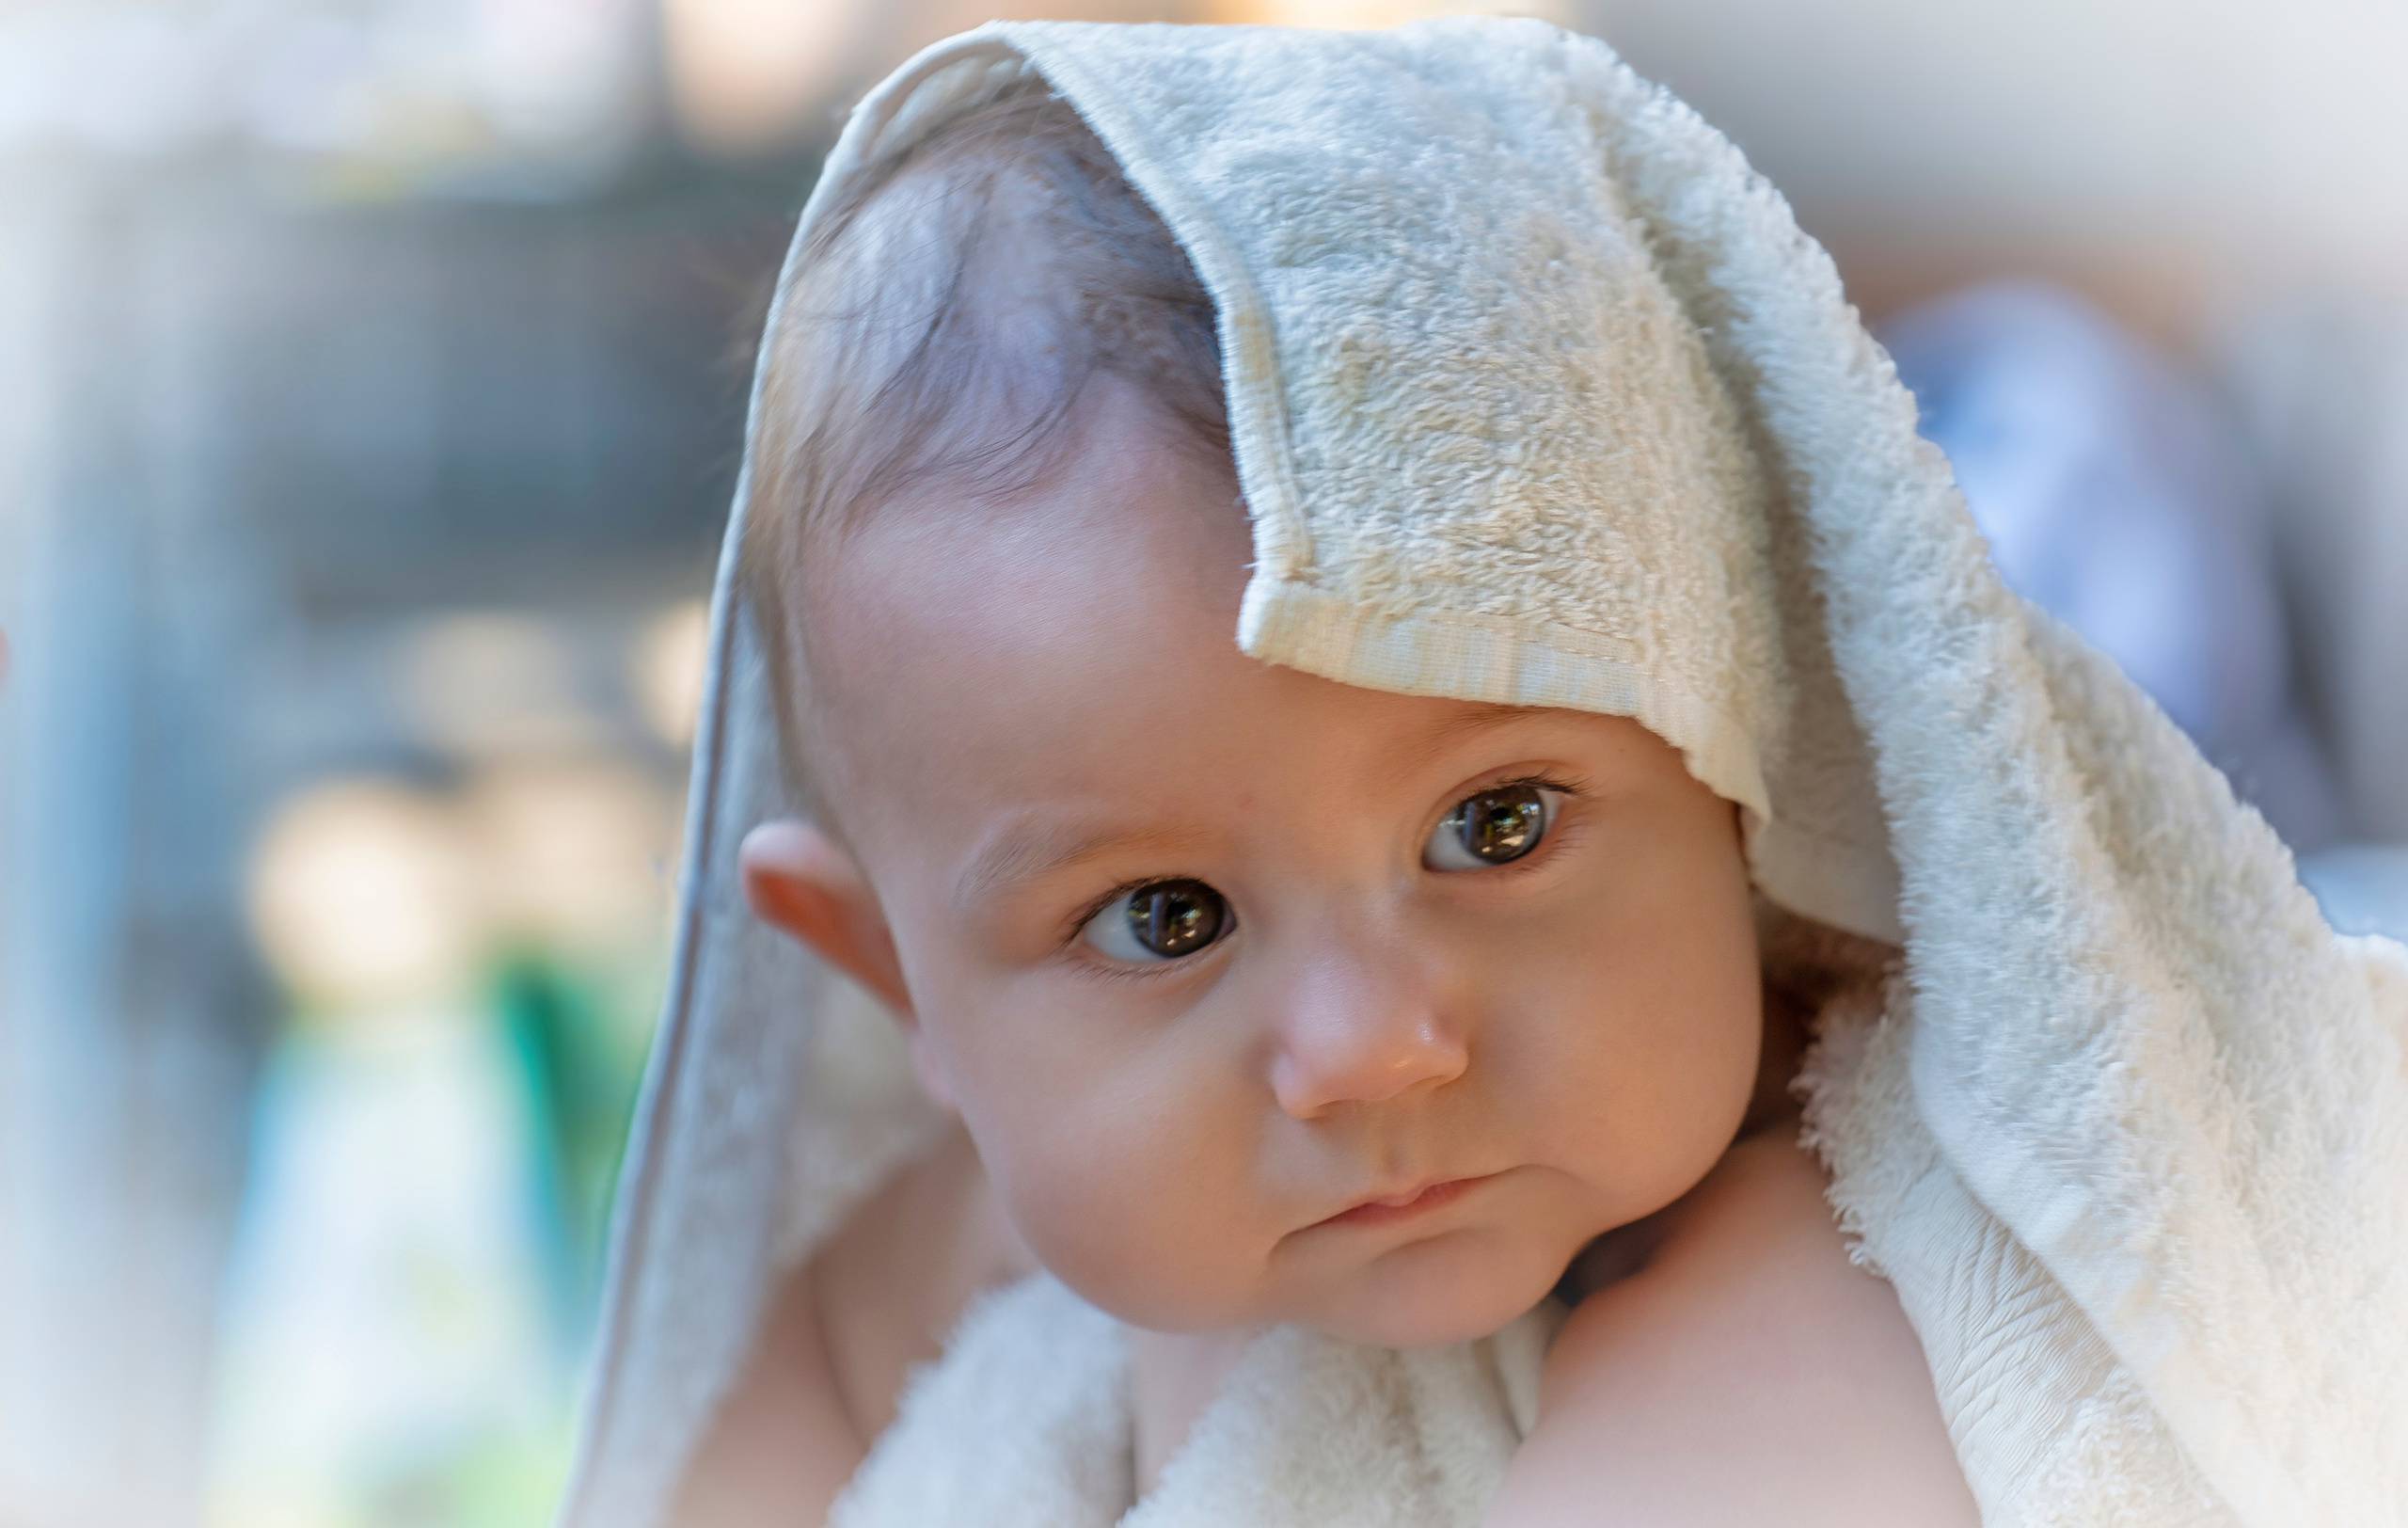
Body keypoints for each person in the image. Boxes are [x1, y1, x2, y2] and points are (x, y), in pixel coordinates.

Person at [561, 22, 2408, 1528]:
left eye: (1493, 823)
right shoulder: (991, 1224)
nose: (1373, 1043)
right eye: (1166, 917)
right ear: (901, 990)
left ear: (1736, 750)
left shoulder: (1808, 1314)